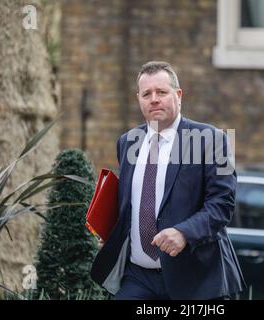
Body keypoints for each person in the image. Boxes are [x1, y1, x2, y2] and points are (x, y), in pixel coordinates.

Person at [91, 61, 246, 300]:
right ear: (139, 99)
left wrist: (184, 233)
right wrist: (111, 232)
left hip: (195, 278)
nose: (154, 99)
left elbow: (222, 205)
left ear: (178, 95)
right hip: (137, 277)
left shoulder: (214, 139)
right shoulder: (127, 142)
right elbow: (131, 203)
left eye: (161, 92)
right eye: (147, 94)